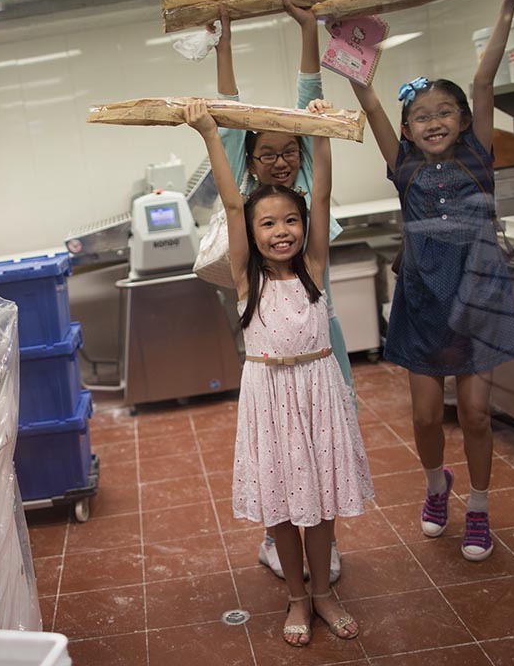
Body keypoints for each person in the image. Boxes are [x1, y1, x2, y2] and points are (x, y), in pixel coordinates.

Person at [341, 0, 514, 561]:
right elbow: (370, 100)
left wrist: (509, 5)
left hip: (479, 298)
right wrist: (352, 48)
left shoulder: (479, 154)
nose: (432, 122)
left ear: (463, 119)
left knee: (475, 414)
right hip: (424, 303)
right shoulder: (401, 167)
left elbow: (484, 77)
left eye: (444, 112)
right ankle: (436, 487)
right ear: (407, 131)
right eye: (420, 116)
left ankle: (478, 509)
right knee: (427, 416)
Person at [185, 98, 373, 647]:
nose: (281, 230)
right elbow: (229, 197)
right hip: (270, 400)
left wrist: (321, 134)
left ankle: (323, 594)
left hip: (318, 392)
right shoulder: (246, 278)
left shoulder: (314, 268)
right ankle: (296, 595)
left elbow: (321, 193)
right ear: (252, 230)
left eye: (291, 220)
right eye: (267, 223)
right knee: (286, 511)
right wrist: (209, 136)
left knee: (319, 508)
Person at [210, 0, 353, 582]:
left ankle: (325, 546)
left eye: (286, 151)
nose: (276, 160)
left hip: (323, 339)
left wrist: (308, 28)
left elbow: (309, 111)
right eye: (265, 152)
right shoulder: (249, 204)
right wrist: (223, 41)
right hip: (268, 343)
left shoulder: (307, 197)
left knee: (325, 450)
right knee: (277, 451)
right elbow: (228, 115)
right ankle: (278, 542)